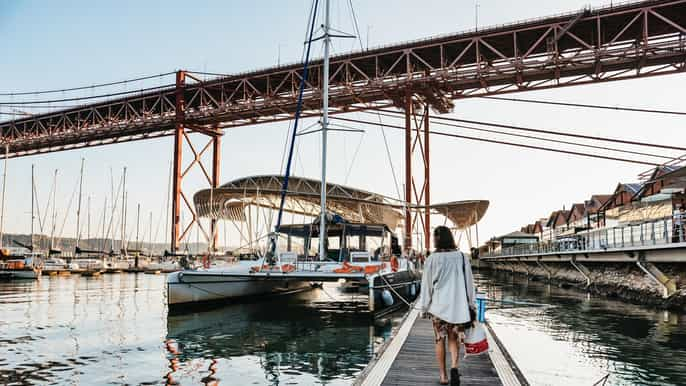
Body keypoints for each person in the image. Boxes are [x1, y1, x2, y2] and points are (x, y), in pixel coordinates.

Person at [417, 226, 476, 386]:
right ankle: (455, 367)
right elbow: (469, 284)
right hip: (457, 308)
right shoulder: (462, 257)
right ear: (450, 238)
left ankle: (443, 376)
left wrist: (423, 308)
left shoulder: (431, 259)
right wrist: (472, 305)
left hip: (438, 308)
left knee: (439, 340)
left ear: (436, 240)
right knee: (453, 338)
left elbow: (426, 286)